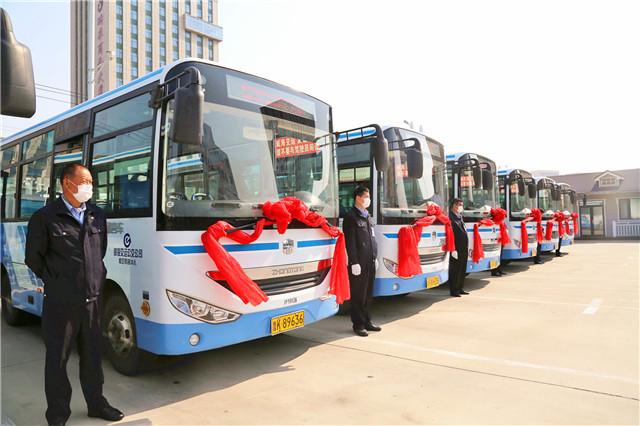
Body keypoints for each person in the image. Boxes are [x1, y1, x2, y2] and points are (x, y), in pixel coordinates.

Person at [25, 164, 124, 426]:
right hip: (61, 304)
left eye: (91, 182)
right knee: (57, 361)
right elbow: (33, 258)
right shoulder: (45, 217)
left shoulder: (96, 215)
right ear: (67, 184)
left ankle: (96, 404)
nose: (89, 186)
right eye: (85, 181)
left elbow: (98, 252)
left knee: (93, 358)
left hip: (92, 301)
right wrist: (59, 283)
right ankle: (58, 415)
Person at [343, 185, 380, 337]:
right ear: (358, 197)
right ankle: (358, 324)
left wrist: (375, 257)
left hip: (370, 260)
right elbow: (350, 241)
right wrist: (353, 262)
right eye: (366, 196)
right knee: (358, 294)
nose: (368, 199)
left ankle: (367, 321)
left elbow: (371, 237)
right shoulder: (351, 216)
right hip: (359, 262)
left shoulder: (367, 215)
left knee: (368, 293)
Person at [448, 198, 469, 297]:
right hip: (456, 247)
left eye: (461, 205)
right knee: (455, 269)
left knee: (462, 267)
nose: (459, 207)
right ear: (453, 205)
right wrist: (453, 248)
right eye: (457, 205)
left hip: (463, 246)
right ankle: (454, 290)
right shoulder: (450, 217)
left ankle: (460, 287)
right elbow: (450, 233)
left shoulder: (460, 217)